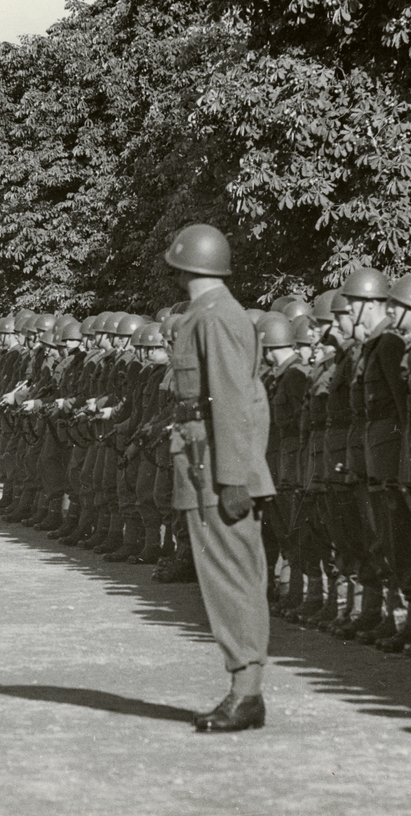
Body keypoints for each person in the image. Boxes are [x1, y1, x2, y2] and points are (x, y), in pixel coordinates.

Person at [164, 223, 275, 732]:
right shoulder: (206, 314)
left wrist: (235, 478)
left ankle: (246, 692)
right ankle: (243, 686)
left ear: (185, 266)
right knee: (223, 580)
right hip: (202, 462)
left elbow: (233, 401)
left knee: (232, 580)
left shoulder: (217, 318)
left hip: (214, 467)